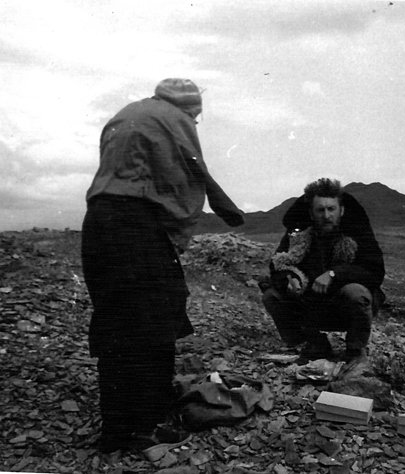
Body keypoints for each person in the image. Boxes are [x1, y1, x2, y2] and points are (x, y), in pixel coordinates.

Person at [81, 78, 244, 455]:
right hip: (135, 224)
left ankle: (116, 428)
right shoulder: (175, 118)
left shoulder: (127, 114)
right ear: (190, 107)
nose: (194, 122)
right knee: (154, 324)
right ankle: (147, 426)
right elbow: (192, 169)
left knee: (115, 321)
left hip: (98, 223)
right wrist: (223, 207)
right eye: (196, 117)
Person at [262, 178, 385, 363]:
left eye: (331, 209)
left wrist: (334, 274)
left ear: (341, 210)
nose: (326, 215)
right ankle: (314, 344)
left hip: (344, 307)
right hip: (311, 305)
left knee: (357, 293)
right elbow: (278, 264)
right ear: (311, 213)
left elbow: (375, 271)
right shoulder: (299, 236)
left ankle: (355, 350)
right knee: (272, 296)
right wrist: (290, 279)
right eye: (320, 210)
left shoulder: (357, 234)